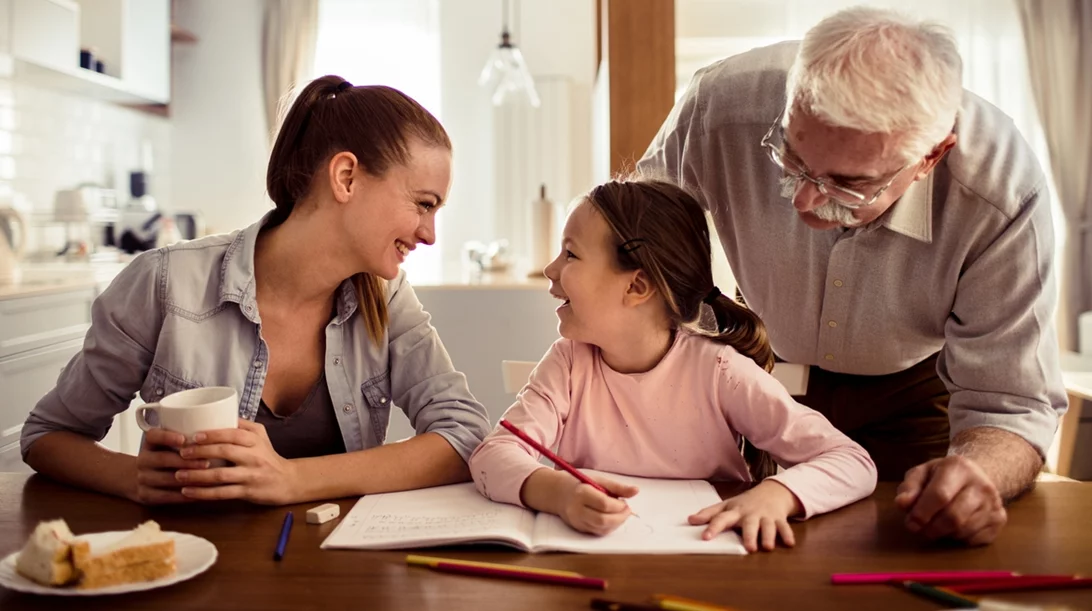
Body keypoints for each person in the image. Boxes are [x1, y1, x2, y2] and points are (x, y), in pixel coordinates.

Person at [637, 7, 1067, 546]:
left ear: (930, 157)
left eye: (847, 184)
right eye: (791, 158)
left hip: (913, 391)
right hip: (759, 371)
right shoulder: (720, 107)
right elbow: (635, 242)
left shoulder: (1001, 196)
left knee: (900, 550)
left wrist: (977, 476)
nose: (802, 199)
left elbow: (1011, 403)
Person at [21, 75, 490, 506]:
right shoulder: (165, 284)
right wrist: (133, 478)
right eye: (423, 204)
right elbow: (47, 436)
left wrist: (291, 479)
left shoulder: (385, 297)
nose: (429, 234)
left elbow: (465, 434)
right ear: (346, 178)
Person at [468, 177, 877, 553]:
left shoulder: (719, 371)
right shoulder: (567, 363)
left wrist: (777, 494)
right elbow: (492, 454)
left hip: (707, 561)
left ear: (637, 286)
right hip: (592, 561)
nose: (550, 270)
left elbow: (852, 462)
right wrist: (559, 492)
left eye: (570, 253)